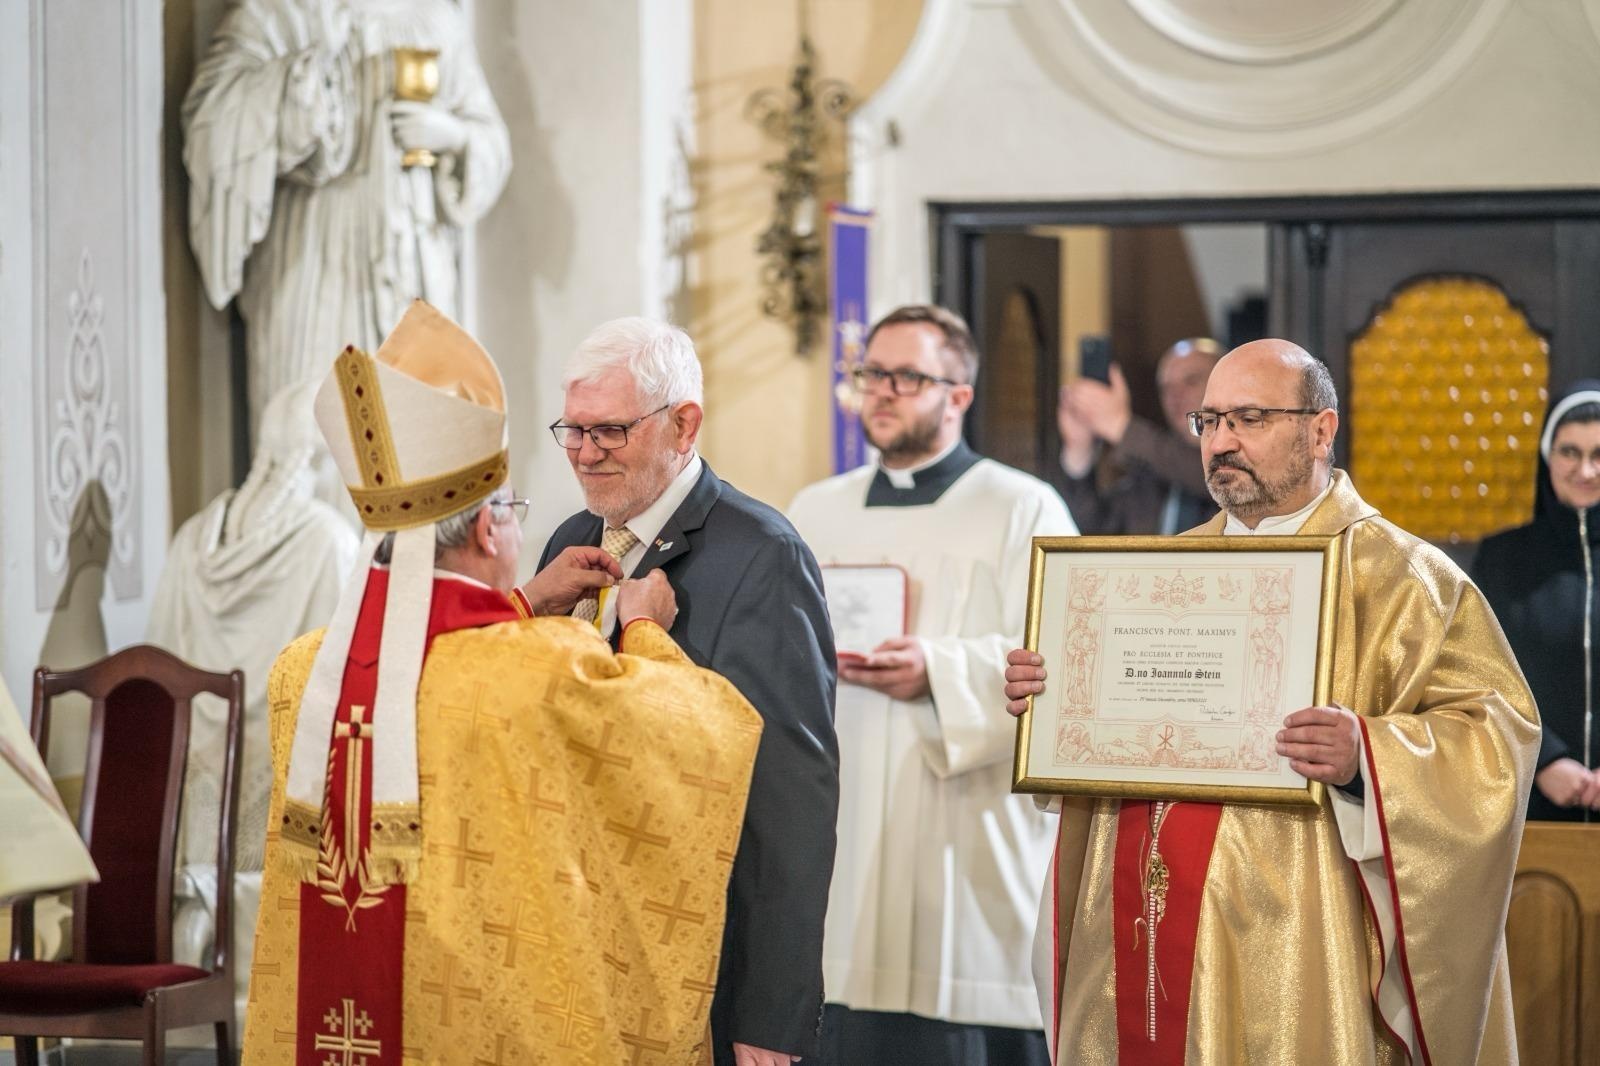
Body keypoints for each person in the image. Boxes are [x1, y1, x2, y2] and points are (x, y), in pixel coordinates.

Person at [242, 301, 764, 1064]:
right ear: (489, 529)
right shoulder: (546, 668)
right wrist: (646, 629)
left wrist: (520, 604)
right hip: (484, 1022)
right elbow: (707, 732)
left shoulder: (303, 672)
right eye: (511, 513)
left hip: (346, 1020)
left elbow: (424, 665)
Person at [1003, 339, 1540, 1063]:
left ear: (1321, 429)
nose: (1222, 441)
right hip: (1141, 919)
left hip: (1299, 938)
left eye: (1250, 419)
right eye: (1209, 421)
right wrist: (1054, 699)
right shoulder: (1154, 571)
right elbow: (1104, 734)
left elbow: (1496, 740)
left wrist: (1369, 757)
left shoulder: (1404, 578)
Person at [533, 318, 839, 1066]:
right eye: (572, 431)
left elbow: (791, 802)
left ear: (684, 424)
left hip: (707, 959)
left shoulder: (762, 554)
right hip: (584, 951)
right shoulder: (571, 537)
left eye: (608, 431)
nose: (583, 455)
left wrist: (772, 1013)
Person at [787, 305, 1077, 1066]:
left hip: (965, 836)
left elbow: (1062, 664)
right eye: (871, 374)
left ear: (959, 395)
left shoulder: (1023, 507)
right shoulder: (815, 511)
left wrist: (940, 674)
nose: (882, 392)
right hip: (844, 831)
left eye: (908, 376)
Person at [183, 0, 511, 434]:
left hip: (409, 261)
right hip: (315, 256)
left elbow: (491, 140)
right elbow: (214, 119)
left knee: (416, 433)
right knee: (315, 429)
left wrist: (449, 134)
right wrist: (296, 90)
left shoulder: (433, 19)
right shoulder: (280, 14)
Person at [147, 379, 360, 1024]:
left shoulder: (193, 539)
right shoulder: (326, 540)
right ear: (322, 458)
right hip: (281, 761)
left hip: (200, 769)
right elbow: (351, 668)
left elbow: (158, 667)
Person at [1473, 379, 1600, 819]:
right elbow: (1480, 670)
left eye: (1599, 454)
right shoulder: (1503, 558)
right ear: (1548, 457)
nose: (1586, 471)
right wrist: (1543, 759)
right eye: (1570, 452)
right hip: (1532, 800)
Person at [1054, 338, 1220, 534]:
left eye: (1191, 381)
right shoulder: (1150, 472)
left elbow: (1206, 474)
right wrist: (1079, 451)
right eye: (1166, 387)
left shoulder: (1239, 453)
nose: (1176, 395)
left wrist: (1120, 426)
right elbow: (1093, 529)